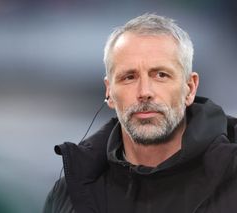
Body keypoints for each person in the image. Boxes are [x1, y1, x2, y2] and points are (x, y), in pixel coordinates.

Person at [43, 13, 237, 213]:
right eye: (129, 77)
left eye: (161, 75)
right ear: (109, 92)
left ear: (190, 87)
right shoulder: (69, 195)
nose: (145, 92)